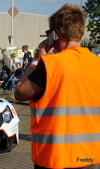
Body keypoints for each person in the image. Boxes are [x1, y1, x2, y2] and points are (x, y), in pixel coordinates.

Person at [14, 4, 100, 169]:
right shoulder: (97, 64)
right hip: (91, 157)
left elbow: (20, 92)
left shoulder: (49, 65)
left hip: (55, 158)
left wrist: (36, 60)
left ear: (56, 34)